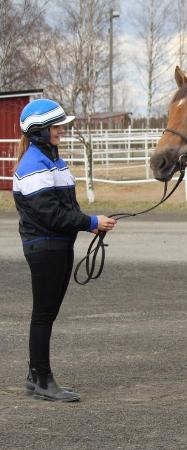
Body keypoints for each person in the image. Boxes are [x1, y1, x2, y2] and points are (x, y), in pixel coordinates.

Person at [12, 99, 116, 402]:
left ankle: (35, 376)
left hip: (57, 246)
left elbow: (67, 208)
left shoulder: (54, 161)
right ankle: (42, 380)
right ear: (40, 130)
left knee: (47, 313)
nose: (61, 131)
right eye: (56, 127)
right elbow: (52, 215)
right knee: (43, 314)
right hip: (45, 247)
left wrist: (91, 224)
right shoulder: (34, 166)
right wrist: (91, 222)